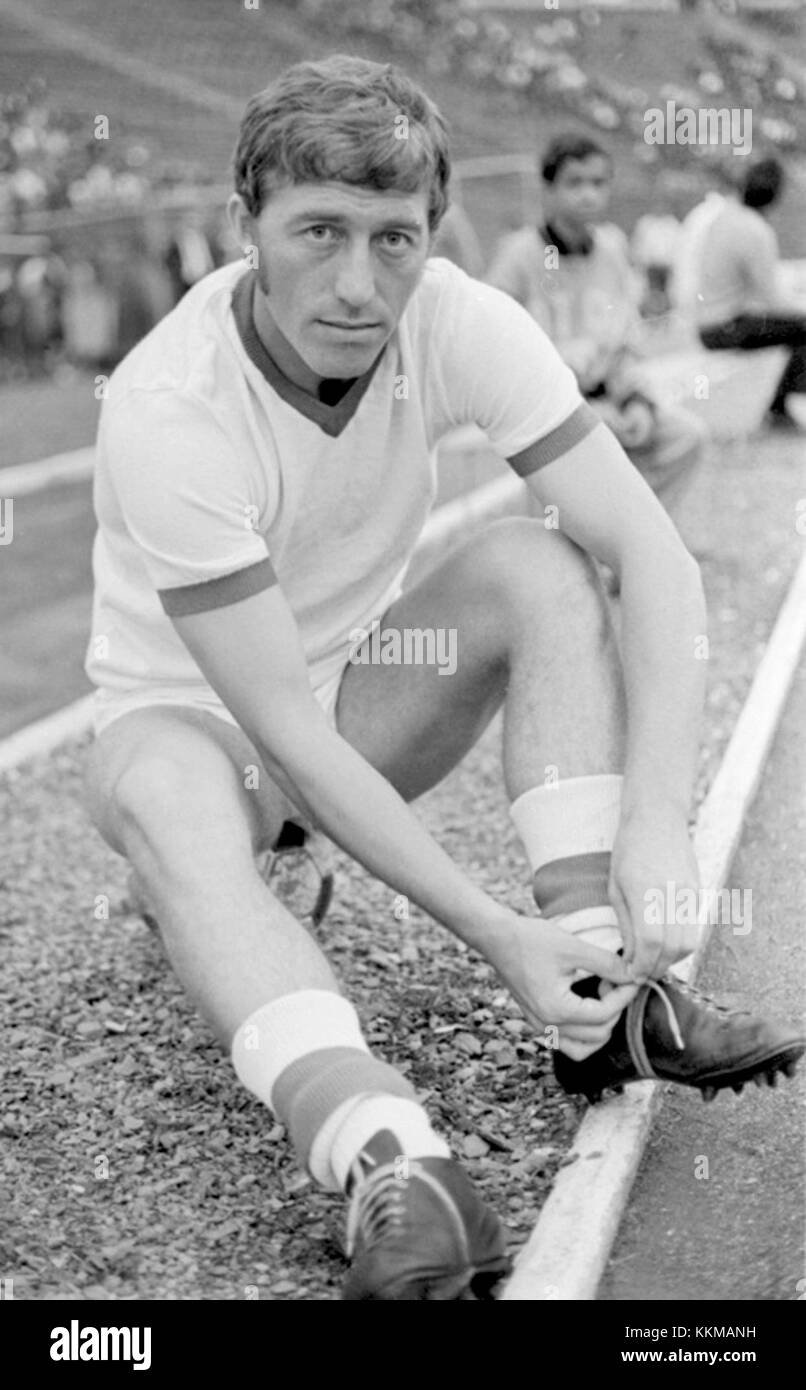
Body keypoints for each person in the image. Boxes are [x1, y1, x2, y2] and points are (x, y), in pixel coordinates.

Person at [82, 57, 803, 1302]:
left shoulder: (457, 317)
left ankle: (604, 986)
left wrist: (651, 824)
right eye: (318, 233)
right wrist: (487, 937)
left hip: (361, 704)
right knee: (150, 778)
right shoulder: (166, 407)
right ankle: (389, 1155)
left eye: (393, 240)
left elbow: (650, 554)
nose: (359, 285)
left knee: (535, 560)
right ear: (246, 218)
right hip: (221, 737)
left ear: (431, 233)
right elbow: (283, 737)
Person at [486, 132, 706, 521]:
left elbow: (624, 345)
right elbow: (493, 348)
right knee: (576, 455)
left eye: (598, 183)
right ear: (549, 188)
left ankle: (630, 539)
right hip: (546, 410)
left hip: (608, 400)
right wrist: (577, 409)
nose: (588, 194)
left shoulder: (612, 251)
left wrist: (637, 401)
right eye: (574, 183)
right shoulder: (518, 256)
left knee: (685, 436)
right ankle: (571, 545)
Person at [691, 156, 806, 431]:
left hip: (709, 322)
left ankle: (780, 405)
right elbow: (772, 299)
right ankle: (779, 408)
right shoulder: (754, 229)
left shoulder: (723, 217)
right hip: (726, 326)